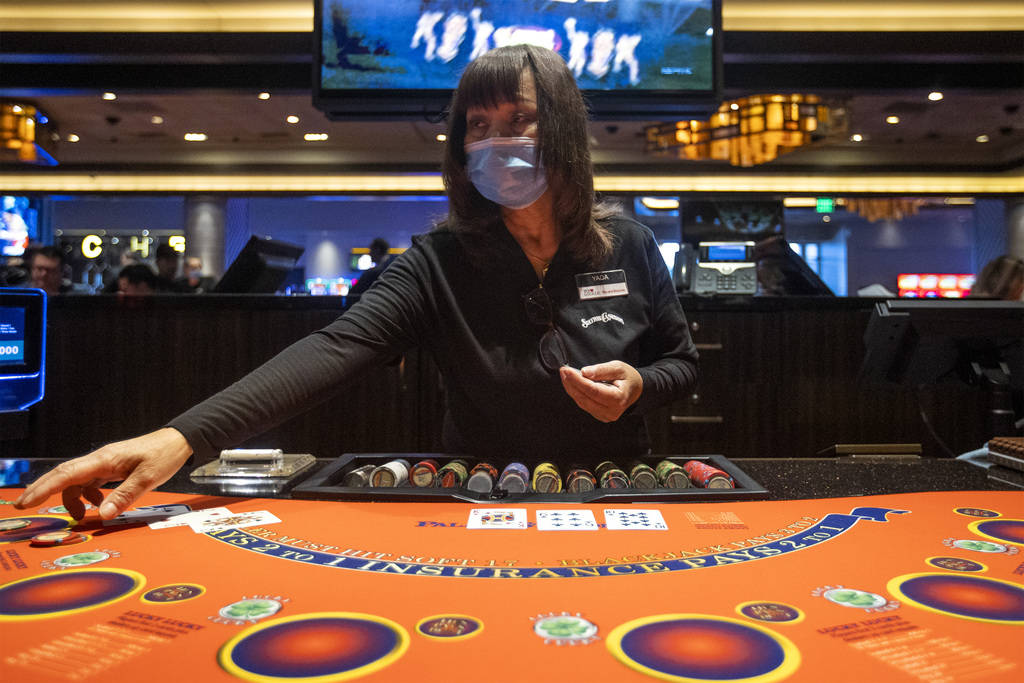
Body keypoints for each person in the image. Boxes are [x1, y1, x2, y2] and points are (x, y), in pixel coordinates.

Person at [14, 45, 699, 520]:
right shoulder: (440, 261)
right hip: (477, 494)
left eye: (520, 120)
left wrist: (643, 385)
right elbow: (331, 350)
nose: (498, 142)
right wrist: (180, 438)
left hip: (617, 488)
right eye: (479, 127)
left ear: (564, 130)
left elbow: (682, 363)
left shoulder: (633, 243)